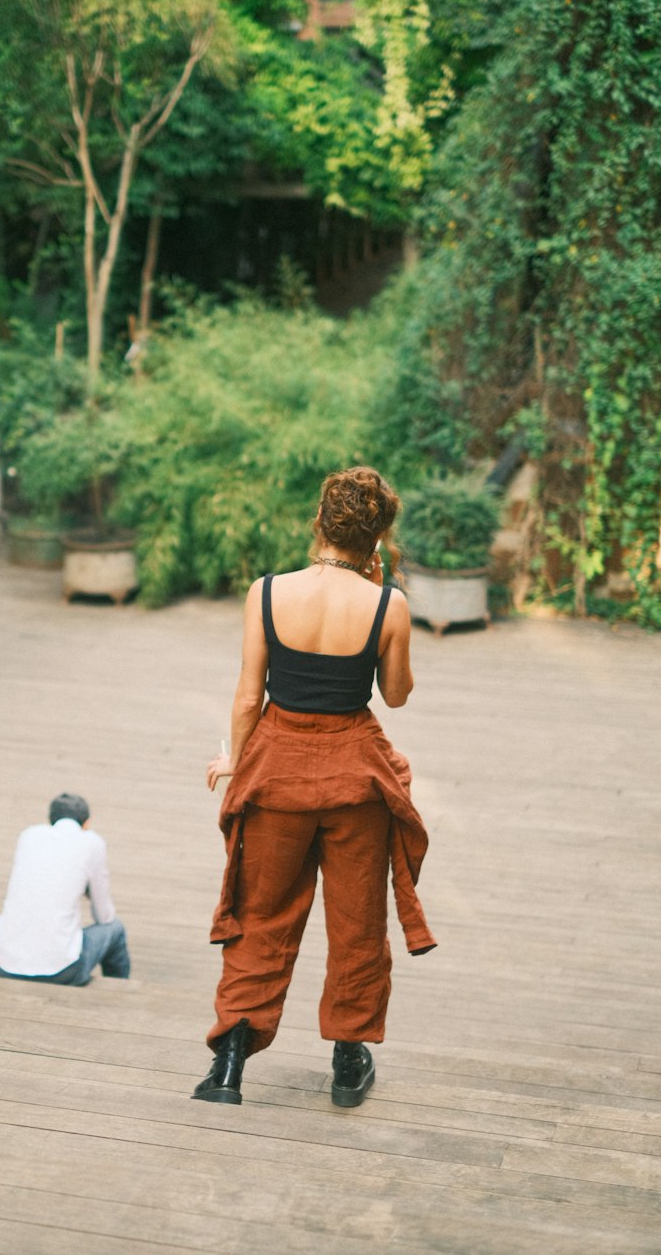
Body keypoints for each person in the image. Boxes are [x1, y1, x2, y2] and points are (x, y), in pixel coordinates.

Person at [192, 466, 436, 1109]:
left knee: (261, 915)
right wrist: (383, 594)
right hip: (355, 779)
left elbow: (249, 697)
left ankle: (229, 1066)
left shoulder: (266, 593)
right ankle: (349, 1064)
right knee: (358, 923)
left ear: (320, 525)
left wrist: (239, 766)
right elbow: (397, 695)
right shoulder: (388, 605)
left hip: (278, 772)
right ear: (376, 537)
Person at [0, 793, 130, 986]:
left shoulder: (29, 836)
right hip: (60, 971)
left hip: (1, 963)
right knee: (115, 929)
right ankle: (119, 990)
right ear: (86, 824)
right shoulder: (92, 842)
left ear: (51, 820)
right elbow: (104, 917)